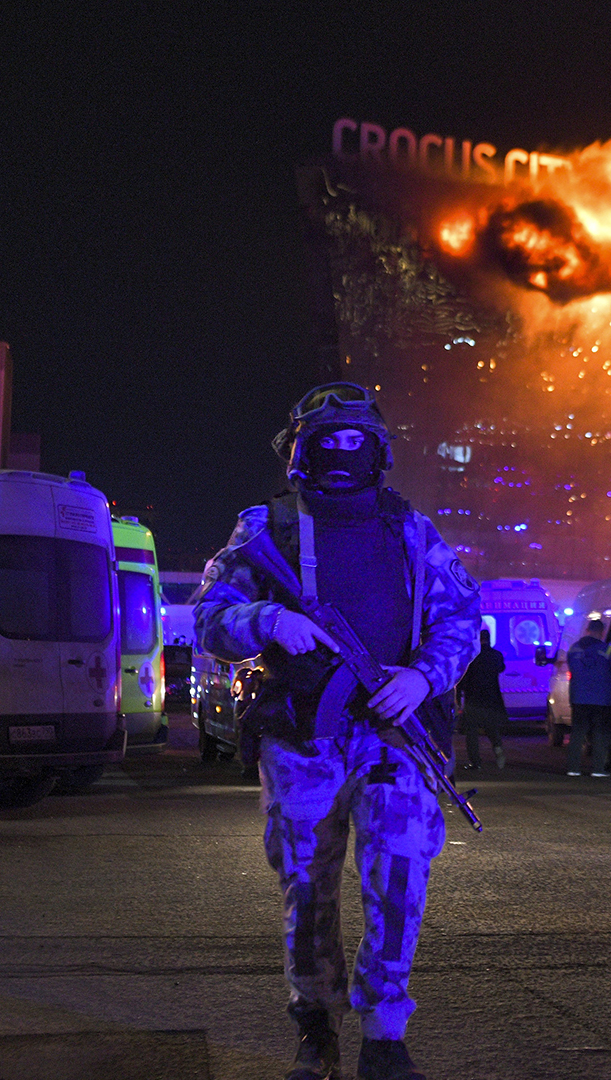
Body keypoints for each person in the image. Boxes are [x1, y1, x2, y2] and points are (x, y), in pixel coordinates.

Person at [193, 382, 481, 1080]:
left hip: (391, 731)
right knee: (306, 886)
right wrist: (268, 622)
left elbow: (461, 619)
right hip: (301, 737)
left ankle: (384, 1034)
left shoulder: (411, 531)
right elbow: (209, 613)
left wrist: (421, 677)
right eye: (329, 442)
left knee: (400, 870)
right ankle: (314, 1029)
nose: (343, 454)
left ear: (377, 452)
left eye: (358, 442)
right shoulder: (266, 530)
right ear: (300, 453)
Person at [565, 615, 611, 777]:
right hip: (602, 699)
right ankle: (598, 769)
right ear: (602, 632)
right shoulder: (607, 649)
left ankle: (573, 768)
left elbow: (572, 668)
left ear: (587, 630)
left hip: (579, 698)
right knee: (600, 733)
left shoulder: (574, 649)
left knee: (578, 733)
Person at [455, 627, 507, 771]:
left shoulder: (470, 656)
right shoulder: (496, 655)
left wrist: (458, 698)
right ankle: (498, 750)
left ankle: (475, 762)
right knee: (491, 728)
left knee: (471, 733)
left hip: (473, 699)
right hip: (491, 699)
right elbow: (501, 668)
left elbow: (461, 678)